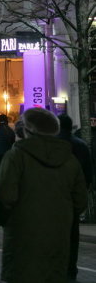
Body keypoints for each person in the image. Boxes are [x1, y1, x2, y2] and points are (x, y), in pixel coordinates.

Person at [0, 108, 87, 283]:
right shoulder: (69, 159)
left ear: (26, 130)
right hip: (58, 236)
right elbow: (80, 200)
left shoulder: (16, 157)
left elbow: (3, 195)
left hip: (21, 235)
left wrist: (4, 219)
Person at [59, 114, 94, 281]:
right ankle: (70, 269)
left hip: (55, 197)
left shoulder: (52, 144)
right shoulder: (80, 145)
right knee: (73, 236)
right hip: (73, 198)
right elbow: (87, 172)